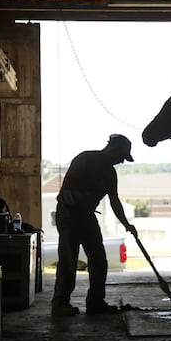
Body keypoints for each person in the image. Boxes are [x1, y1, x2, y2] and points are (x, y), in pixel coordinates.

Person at [51, 134, 138, 316]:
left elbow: (114, 200)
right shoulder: (85, 159)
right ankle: (60, 303)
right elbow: (70, 189)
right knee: (68, 259)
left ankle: (95, 302)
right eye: (121, 156)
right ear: (113, 150)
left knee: (98, 259)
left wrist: (126, 224)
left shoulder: (110, 173)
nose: (122, 161)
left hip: (86, 215)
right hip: (69, 213)